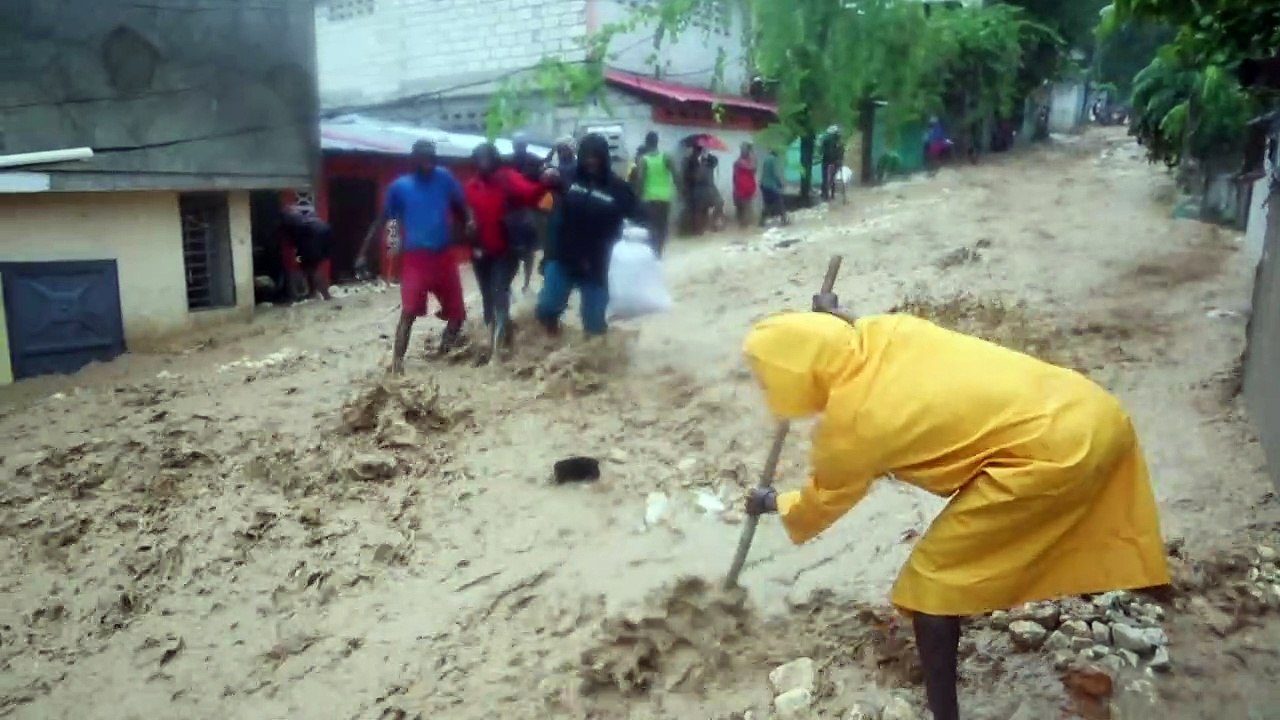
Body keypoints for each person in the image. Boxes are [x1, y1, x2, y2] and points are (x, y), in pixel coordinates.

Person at [741, 302, 1171, 720]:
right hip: (1093, 410)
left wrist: (773, 502)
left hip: (1053, 455)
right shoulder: (890, 331)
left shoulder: (852, 428)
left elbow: (825, 499)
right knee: (1087, 511)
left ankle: (944, 713)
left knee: (932, 581)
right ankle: (1154, 590)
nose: (768, 392)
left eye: (769, 382)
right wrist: (832, 316)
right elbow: (850, 330)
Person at [355, 140, 475, 374]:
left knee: (458, 314)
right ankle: (397, 365)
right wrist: (364, 253)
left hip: (444, 257)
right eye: (423, 156)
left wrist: (469, 220)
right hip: (416, 260)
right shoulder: (400, 187)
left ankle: (444, 354)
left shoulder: (445, 178)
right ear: (414, 158)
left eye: (432, 155)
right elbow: (383, 221)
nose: (428, 160)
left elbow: (463, 205)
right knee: (409, 312)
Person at [535, 133, 638, 337]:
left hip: (598, 265)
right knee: (547, 307)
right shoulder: (566, 178)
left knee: (594, 324)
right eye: (587, 156)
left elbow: (638, 217)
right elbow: (547, 209)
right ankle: (551, 339)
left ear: (604, 157)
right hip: (563, 257)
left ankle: (592, 353)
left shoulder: (619, 189)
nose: (591, 161)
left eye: (596, 156)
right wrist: (547, 254)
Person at [463, 143, 555, 349]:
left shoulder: (507, 177)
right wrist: (468, 226)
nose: (484, 164)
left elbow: (531, 193)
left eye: (487, 159)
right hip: (480, 251)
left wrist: (546, 182)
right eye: (480, 160)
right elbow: (464, 215)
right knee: (488, 297)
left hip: (506, 249)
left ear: (494, 159)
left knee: (498, 291)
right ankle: (501, 337)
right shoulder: (471, 186)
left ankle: (497, 351)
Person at [632, 131, 678, 256]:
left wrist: (637, 196)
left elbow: (640, 180)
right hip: (665, 197)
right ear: (657, 142)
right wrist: (679, 190)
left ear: (646, 143)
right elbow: (676, 175)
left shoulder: (643, 160)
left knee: (651, 225)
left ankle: (653, 250)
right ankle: (659, 251)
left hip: (649, 198)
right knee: (663, 225)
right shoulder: (666, 157)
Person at [279, 206, 333, 301]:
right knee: (310, 266)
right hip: (322, 233)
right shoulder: (298, 213)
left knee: (312, 268)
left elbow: (294, 241)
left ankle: (326, 295)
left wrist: (298, 256)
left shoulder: (289, 221)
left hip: (311, 237)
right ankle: (314, 293)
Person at [759, 147, 789, 227]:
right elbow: (775, 174)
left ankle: (761, 222)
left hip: (764, 185)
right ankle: (784, 220)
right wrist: (780, 184)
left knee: (767, 204)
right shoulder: (774, 160)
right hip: (771, 185)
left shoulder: (766, 159)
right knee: (779, 202)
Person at [732, 142, 758, 229]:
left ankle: (744, 226)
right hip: (742, 188)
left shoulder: (740, 162)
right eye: (742, 149)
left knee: (745, 208)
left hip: (745, 188)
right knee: (744, 208)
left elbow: (753, 169)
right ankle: (744, 226)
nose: (743, 151)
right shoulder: (740, 162)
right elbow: (752, 168)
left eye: (744, 149)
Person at [819, 126, 843, 201]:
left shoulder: (825, 139)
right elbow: (840, 151)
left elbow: (821, 149)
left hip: (826, 160)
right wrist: (839, 160)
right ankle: (831, 194)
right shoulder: (838, 140)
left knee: (825, 177)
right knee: (832, 177)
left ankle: (824, 194)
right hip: (834, 161)